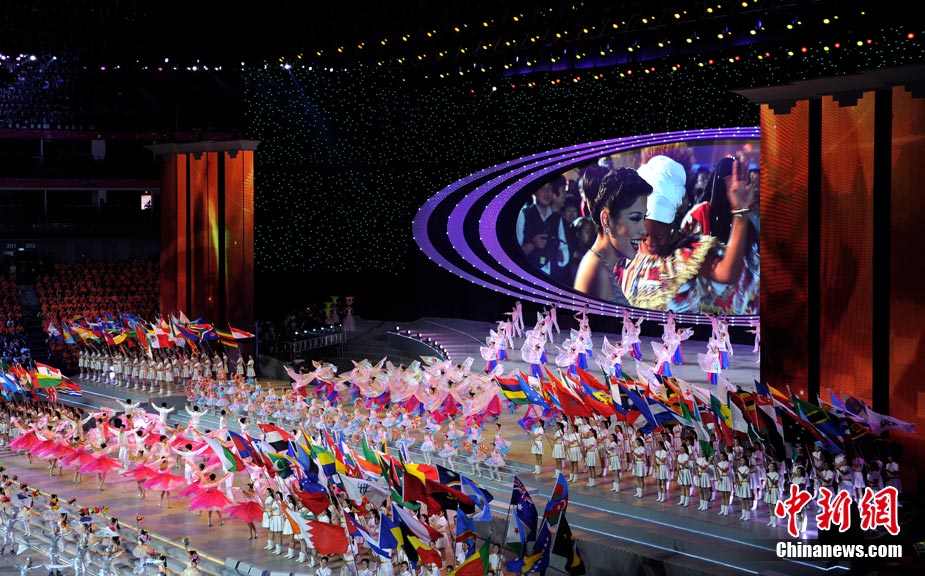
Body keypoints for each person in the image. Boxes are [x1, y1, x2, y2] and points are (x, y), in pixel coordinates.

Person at [619, 155, 758, 313]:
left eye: (658, 237)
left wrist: (740, 213)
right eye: (644, 237)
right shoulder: (629, 255)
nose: (651, 243)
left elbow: (727, 273)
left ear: (671, 226)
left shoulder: (683, 254)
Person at [573, 167, 652, 304]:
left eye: (644, 218)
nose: (644, 231)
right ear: (606, 220)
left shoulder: (605, 267)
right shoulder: (597, 271)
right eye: (635, 218)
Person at [516, 180, 570, 280]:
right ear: (534, 192)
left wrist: (555, 249)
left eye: (549, 188)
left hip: (552, 276)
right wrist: (533, 244)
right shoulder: (524, 214)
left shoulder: (557, 218)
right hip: (530, 275)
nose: (547, 192)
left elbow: (564, 250)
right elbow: (516, 253)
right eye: (542, 188)